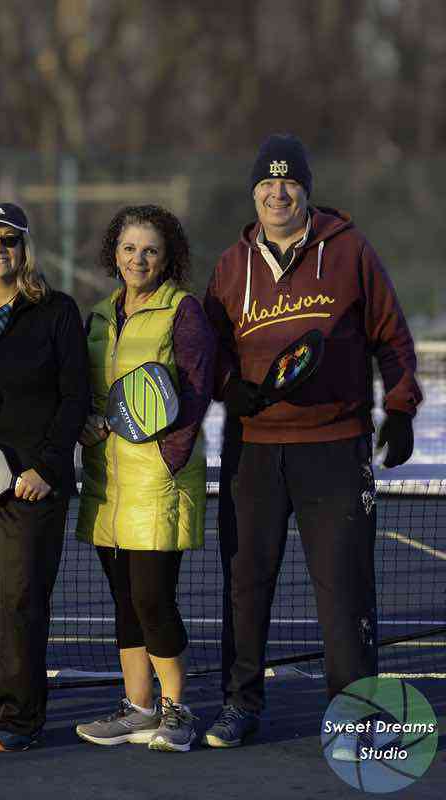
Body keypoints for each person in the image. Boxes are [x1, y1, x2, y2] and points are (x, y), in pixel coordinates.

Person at [202, 134, 421, 749]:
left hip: (335, 446)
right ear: (254, 193)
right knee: (246, 584)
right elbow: (206, 349)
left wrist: (400, 408)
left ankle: (356, 716)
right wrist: (229, 387)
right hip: (255, 449)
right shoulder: (230, 264)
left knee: (345, 587)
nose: (278, 192)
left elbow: (392, 336)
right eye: (267, 183)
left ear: (306, 190)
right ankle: (239, 705)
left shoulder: (349, 250)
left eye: (289, 182)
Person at [73, 205, 215, 753]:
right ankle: (137, 709)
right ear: (115, 253)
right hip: (107, 480)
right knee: (124, 600)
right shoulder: (100, 314)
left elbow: (196, 392)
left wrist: (169, 454)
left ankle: (177, 710)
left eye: (150, 249)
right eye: (130, 248)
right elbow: (92, 392)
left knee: (153, 598)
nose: (139, 259)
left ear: (167, 256)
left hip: (158, 479)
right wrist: (86, 421)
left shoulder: (184, 311)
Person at [0, 203, 89, 752]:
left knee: (21, 600)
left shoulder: (55, 311)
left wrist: (48, 467)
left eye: (9, 240)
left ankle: (22, 719)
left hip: (32, 481)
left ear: (25, 249)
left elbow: (75, 395)